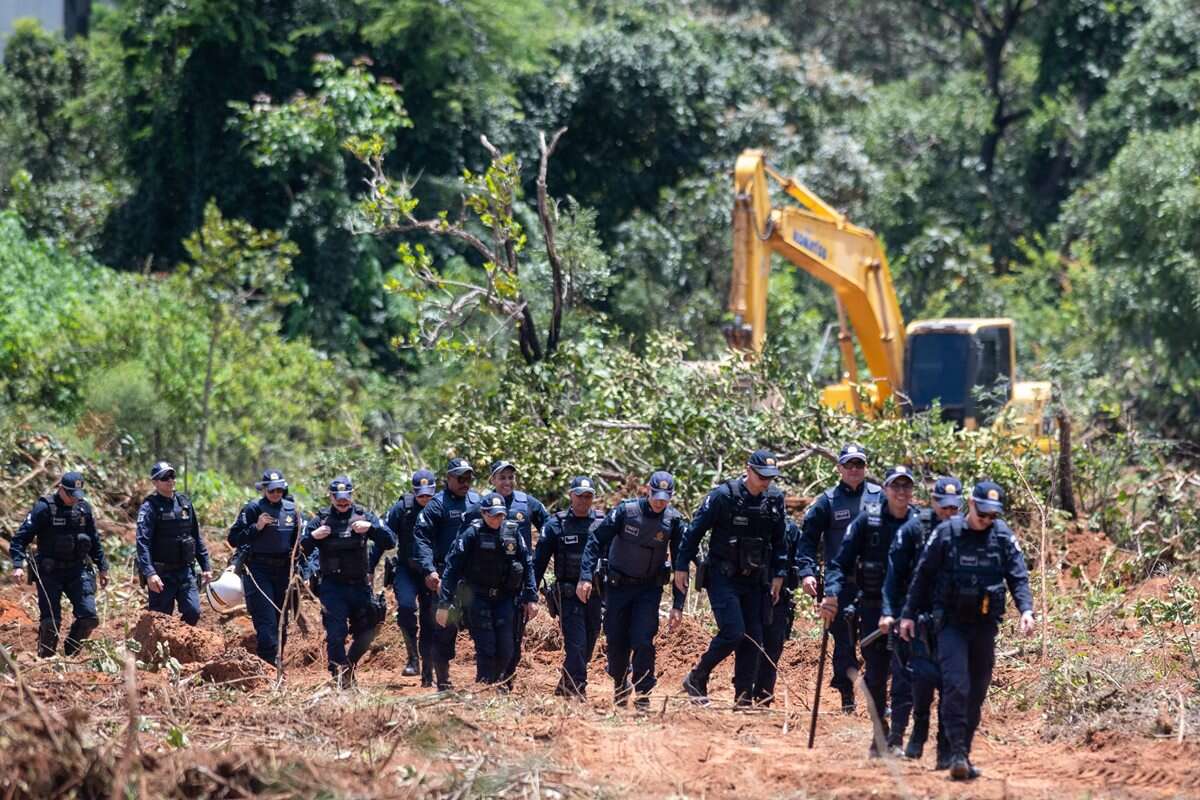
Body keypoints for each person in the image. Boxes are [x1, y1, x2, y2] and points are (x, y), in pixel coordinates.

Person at [899, 480, 1036, 781]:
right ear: (971, 505)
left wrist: (1026, 609)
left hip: (985, 626)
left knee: (976, 691)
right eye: (983, 513)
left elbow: (1017, 575)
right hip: (951, 625)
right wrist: (908, 614)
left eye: (993, 515)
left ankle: (964, 752)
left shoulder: (1001, 536)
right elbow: (922, 576)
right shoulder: (947, 533)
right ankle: (957, 753)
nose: (987, 520)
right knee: (956, 685)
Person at [676, 450, 788, 707]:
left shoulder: (774, 499)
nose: (765, 482)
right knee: (733, 632)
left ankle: (743, 697)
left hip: (755, 578)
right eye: (761, 476)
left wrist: (779, 574)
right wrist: (682, 566)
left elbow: (780, 541)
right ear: (748, 470)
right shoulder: (723, 496)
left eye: (770, 477)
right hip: (723, 576)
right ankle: (697, 676)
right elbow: (694, 531)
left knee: (754, 637)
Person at [821, 465, 918, 756]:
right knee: (875, 676)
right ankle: (880, 735)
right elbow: (839, 563)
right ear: (885, 489)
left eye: (906, 487)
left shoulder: (919, 523)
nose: (901, 492)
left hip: (907, 611)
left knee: (904, 674)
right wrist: (832, 593)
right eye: (895, 486)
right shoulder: (868, 521)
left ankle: (897, 737)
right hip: (873, 608)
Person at [579, 470, 687, 709]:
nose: (660, 501)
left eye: (665, 497)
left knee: (643, 639)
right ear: (647, 490)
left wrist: (678, 604)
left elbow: (681, 565)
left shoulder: (673, 521)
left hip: (648, 591)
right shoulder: (625, 512)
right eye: (656, 495)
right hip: (618, 588)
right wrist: (585, 577)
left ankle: (643, 692)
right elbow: (595, 540)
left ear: (672, 496)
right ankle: (619, 682)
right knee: (617, 640)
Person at [882, 475, 963, 765]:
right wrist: (891, 611)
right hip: (916, 617)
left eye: (955, 507)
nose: (949, 513)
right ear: (933, 502)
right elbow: (894, 576)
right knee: (918, 679)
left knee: (949, 684)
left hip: (954, 620)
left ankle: (944, 750)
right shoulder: (915, 529)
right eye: (944, 507)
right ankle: (913, 733)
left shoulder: (969, 531)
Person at [797, 443, 882, 712]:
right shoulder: (827, 501)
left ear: (865, 468)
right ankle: (847, 696)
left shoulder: (880, 497)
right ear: (839, 468)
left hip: (873, 584)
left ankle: (876, 697)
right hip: (839, 584)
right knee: (844, 642)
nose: (854, 470)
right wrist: (807, 573)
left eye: (859, 464)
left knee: (875, 641)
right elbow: (807, 541)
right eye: (849, 465)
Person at [436, 491, 539, 688]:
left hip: (506, 598)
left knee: (507, 647)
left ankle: (501, 686)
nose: (496, 518)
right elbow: (452, 568)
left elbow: (527, 563)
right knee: (487, 646)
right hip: (478, 598)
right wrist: (444, 603)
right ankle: (484, 687)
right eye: (492, 514)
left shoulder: (512, 532)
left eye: (500, 514)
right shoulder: (471, 533)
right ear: (483, 513)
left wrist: (531, 597)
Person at [301, 475, 396, 687]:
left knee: (368, 629)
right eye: (338, 498)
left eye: (346, 498)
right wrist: (313, 537)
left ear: (351, 496)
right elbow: (299, 550)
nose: (343, 502)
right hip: (332, 587)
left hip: (360, 585)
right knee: (336, 634)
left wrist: (371, 528)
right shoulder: (321, 520)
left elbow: (390, 541)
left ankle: (349, 665)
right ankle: (339, 675)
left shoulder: (363, 515)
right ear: (331, 497)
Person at [10, 472, 108, 657]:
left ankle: (71, 653)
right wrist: (17, 564)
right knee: (51, 622)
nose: (74, 499)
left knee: (89, 617)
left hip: (77, 570)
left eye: (77, 495)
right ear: (60, 489)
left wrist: (102, 567)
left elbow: (94, 540)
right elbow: (20, 538)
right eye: (70, 494)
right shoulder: (44, 508)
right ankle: (46, 661)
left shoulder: (83, 509)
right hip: (50, 572)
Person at [412, 457, 481, 690]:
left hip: (474, 576)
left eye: (468, 477)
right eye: (460, 478)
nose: (465, 482)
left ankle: (487, 679)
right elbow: (421, 538)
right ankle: (443, 680)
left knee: (483, 625)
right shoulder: (437, 504)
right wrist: (429, 570)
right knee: (444, 628)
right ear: (448, 479)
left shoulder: (477, 501)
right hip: (445, 576)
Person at [534, 476, 605, 698]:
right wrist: (529, 594)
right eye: (579, 496)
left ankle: (565, 686)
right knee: (576, 645)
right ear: (570, 496)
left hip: (596, 594)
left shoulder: (603, 523)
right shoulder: (556, 525)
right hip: (568, 595)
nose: (584, 500)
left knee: (590, 643)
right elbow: (538, 562)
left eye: (588, 496)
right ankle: (578, 690)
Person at [227, 469, 302, 667]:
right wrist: (256, 527)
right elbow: (234, 538)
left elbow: (298, 544)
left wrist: (301, 570)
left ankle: (277, 663)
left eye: (279, 490)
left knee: (281, 620)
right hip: (258, 569)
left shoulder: (291, 510)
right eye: (272, 490)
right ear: (264, 490)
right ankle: (268, 666)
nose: (276, 494)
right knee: (266, 619)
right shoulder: (253, 509)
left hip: (283, 571)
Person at [486, 460, 550, 685]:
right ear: (492, 480)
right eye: (502, 477)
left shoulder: (528, 503)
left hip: (517, 581)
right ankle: (490, 676)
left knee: (514, 633)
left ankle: (507, 678)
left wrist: (537, 559)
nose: (507, 482)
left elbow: (550, 530)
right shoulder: (483, 505)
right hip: (488, 579)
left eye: (510, 477)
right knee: (489, 630)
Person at [378, 468, 438, 678]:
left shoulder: (441, 507)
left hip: (431, 571)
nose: (424, 498)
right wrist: (369, 567)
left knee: (430, 615)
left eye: (428, 493)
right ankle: (412, 657)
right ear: (414, 491)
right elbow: (383, 538)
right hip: (406, 568)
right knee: (405, 607)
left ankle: (427, 658)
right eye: (420, 493)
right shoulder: (401, 509)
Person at [136, 461, 210, 625]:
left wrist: (205, 566)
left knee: (193, 611)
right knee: (161, 620)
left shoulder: (184, 503)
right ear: (155, 483)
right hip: (162, 575)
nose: (170, 480)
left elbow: (196, 537)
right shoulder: (150, 507)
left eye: (172, 476)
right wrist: (149, 573)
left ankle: (181, 643)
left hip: (185, 571)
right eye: (164, 478)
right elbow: (142, 543)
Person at [751, 516, 802, 705]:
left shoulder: (791, 530)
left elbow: (800, 558)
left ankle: (765, 696)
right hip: (752, 593)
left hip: (780, 598)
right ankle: (745, 692)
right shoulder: (753, 522)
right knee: (751, 645)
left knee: (773, 647)